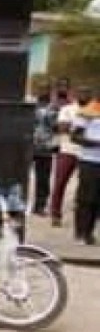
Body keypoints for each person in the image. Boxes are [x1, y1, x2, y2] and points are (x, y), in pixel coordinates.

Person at [66, 94, 100, 245]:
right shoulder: (87, 111)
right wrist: (96, 143)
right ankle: (80, 232)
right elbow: (75, 137)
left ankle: (89, 233)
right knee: (86, 198)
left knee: (97, 200)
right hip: (89, 161)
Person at [51, 88, 82, 226]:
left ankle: (82, 216)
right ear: (74, 95)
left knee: (86, 187)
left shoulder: (94, 110)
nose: (83, 95)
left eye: (87, 93)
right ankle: (55, 214)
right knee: (60, 183)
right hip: (67, 150)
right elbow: (62, 128)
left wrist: (75, 129)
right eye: (80, 92)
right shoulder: (67, 109)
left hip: (87, 154)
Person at [32, 88, 62, 217]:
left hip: (45, 148)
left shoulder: (53, 109)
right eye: (41, 89)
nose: (43, 93)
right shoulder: (30, 106)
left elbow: (57, 127)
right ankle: (19, 205)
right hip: (30, 146)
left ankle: (39, 206)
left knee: (43, 179)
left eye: (45, 90)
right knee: (21, 177)